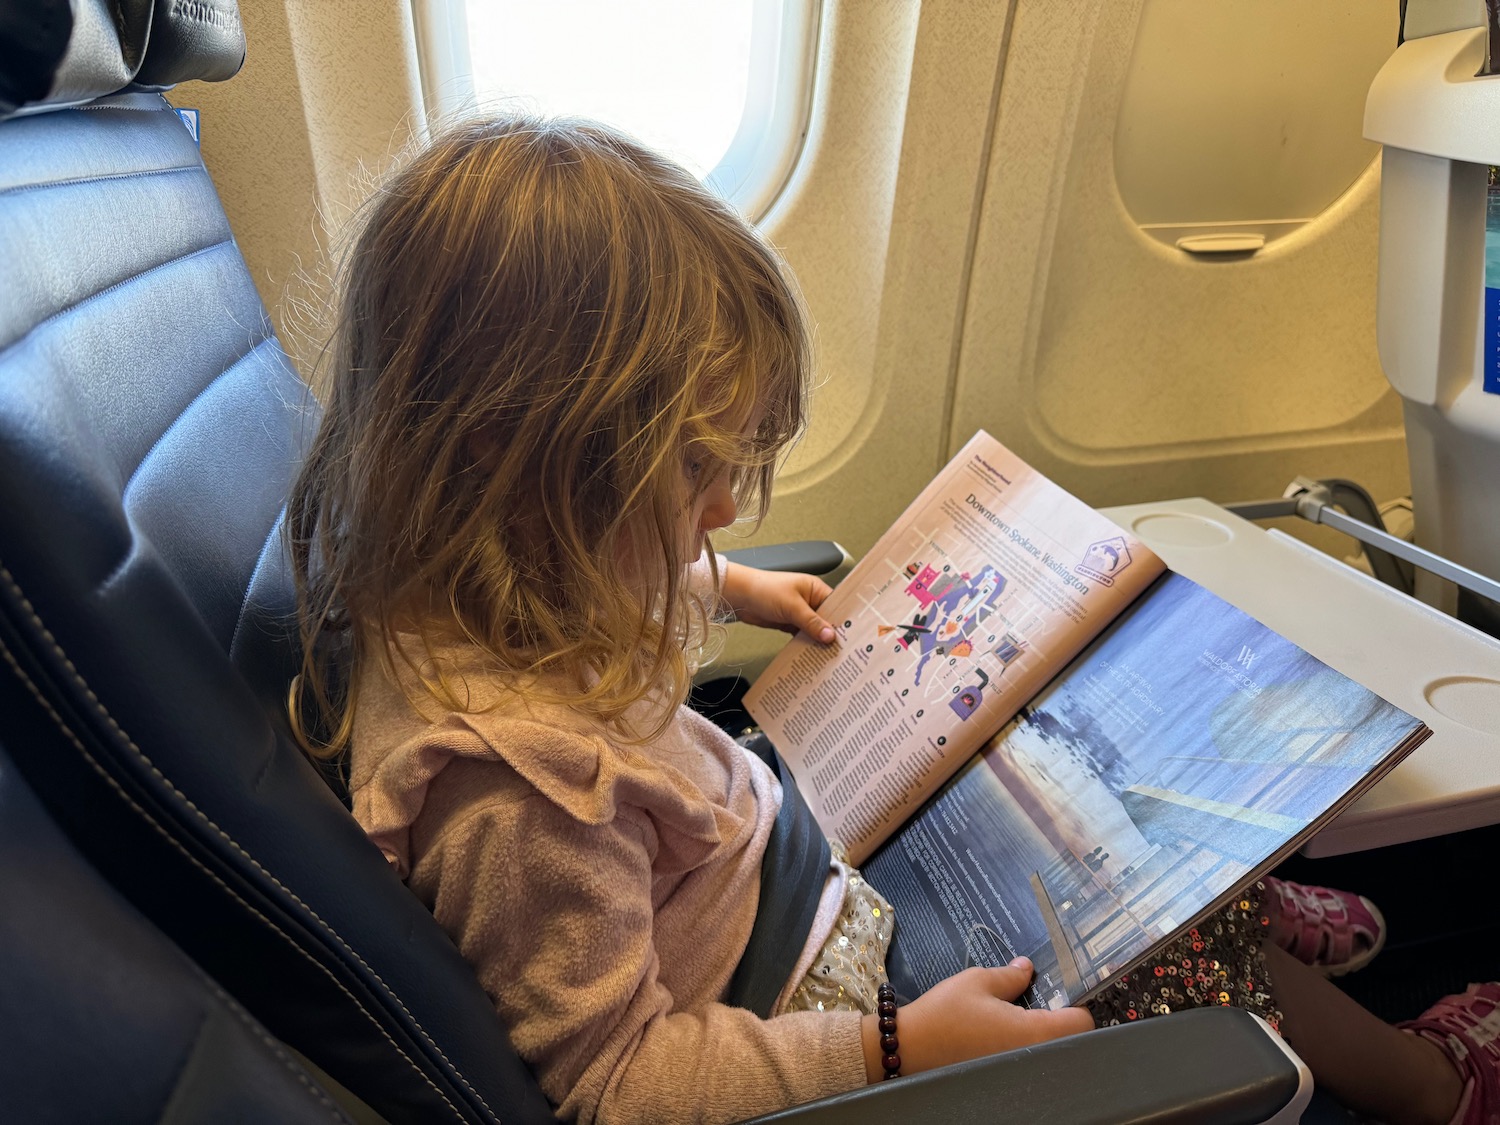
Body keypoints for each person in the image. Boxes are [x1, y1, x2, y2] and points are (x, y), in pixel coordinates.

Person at [287, 115, 1491, 1125]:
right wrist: (895, 1050)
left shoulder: (467, 573)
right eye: (692, 471)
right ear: (513, 454)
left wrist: (732, 585)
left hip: (784, 871)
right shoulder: (519, 799)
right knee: (1177, 954)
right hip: (815, 1000)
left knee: (1095, 822)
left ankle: (1245, 911)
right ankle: (1432, 1083)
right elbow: (619, 1083)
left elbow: (588, 579)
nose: (719, 507)